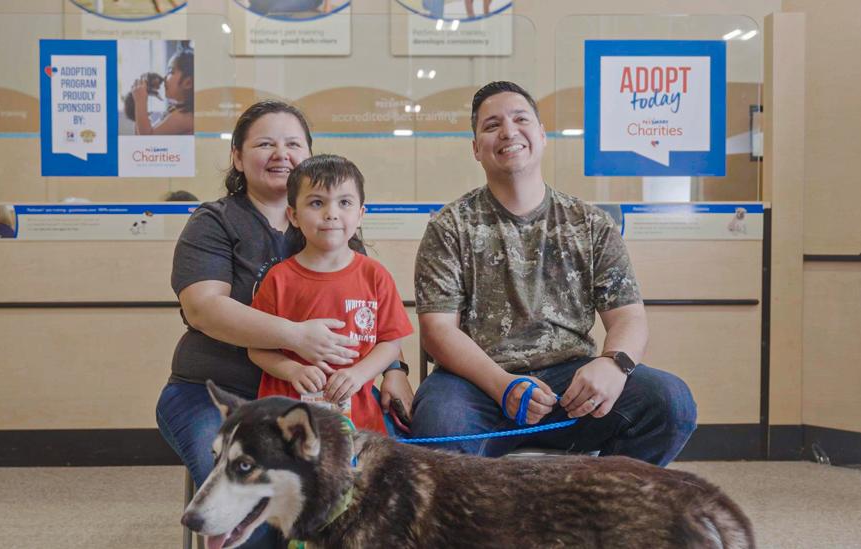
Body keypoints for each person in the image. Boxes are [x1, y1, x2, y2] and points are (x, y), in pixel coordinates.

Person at [155, 101, 413, 548]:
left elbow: (372, 316)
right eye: (264, 144)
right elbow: (203, 307)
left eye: (293, 143)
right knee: (253, 512)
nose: (281, 153)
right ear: (237, 157)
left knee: (374, 498)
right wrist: (297, 338)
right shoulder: (215, 222)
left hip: (329, 404)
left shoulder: (330, 225)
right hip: (218, 393)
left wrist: (394, 371)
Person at [410, 81, 697, 467]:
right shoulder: (450, 227)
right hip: (477, 383)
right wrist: (504, 385)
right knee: (437, 424)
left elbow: (629, 316)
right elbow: (438, 331)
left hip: (570, 386)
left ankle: (601, 508)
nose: (509, 131)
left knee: (670, 402)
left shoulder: (590, 223)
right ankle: (472, 525)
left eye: (520, 119)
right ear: (476, 148)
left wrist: (615, 364)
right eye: (492, 125)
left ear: (542, 136)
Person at [249, 155, 413, 435]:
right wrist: (292, 370)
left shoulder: (375, 275)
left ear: (360, 214)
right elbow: (257, 348)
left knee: (356, 477)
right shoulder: (278, 279)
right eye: (316, 203)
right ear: (294, 216)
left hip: (357, 416)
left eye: (344, 203)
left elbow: (390, 340)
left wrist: (360, 373)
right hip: (283, 419)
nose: (331, 213)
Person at [131, 46, 193, 136]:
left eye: (170, 72)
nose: (164, 78)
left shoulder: (184, 117)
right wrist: (139, 109)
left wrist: (140, 102)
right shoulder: (175, 110)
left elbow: (146, 139)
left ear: (188, 83)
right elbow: (140, 134)